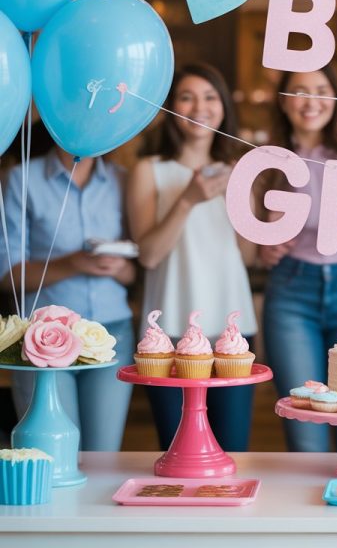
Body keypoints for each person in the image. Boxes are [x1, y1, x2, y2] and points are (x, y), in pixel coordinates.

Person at [126, 62, 257, 452]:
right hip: (167, 334)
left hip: (233, 333)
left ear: (223, 107)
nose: (199, 106)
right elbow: (148, 256)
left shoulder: (240, 172)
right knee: (177, 450)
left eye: (209, 96)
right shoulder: (148, 171)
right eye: (186, 97)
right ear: (171, 109)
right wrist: (188, 199)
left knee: (232, 449)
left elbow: (246, 257)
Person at [259, 66, 337, 452]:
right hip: (292, 290)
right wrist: (264, 246)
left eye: (321, 90)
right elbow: (252, 241)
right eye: (300, 91)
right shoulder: (266, 161)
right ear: (284, 100)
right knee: (305, 426)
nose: (311, 102)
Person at [0, 141, 136, 451]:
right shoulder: (22, 179)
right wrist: (72, 263)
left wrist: (115, 266)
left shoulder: (121, 179)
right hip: (42, 339)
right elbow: (8, 277)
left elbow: (133, 274)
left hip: (112, 334)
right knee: (51, 455)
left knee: (103, 455)